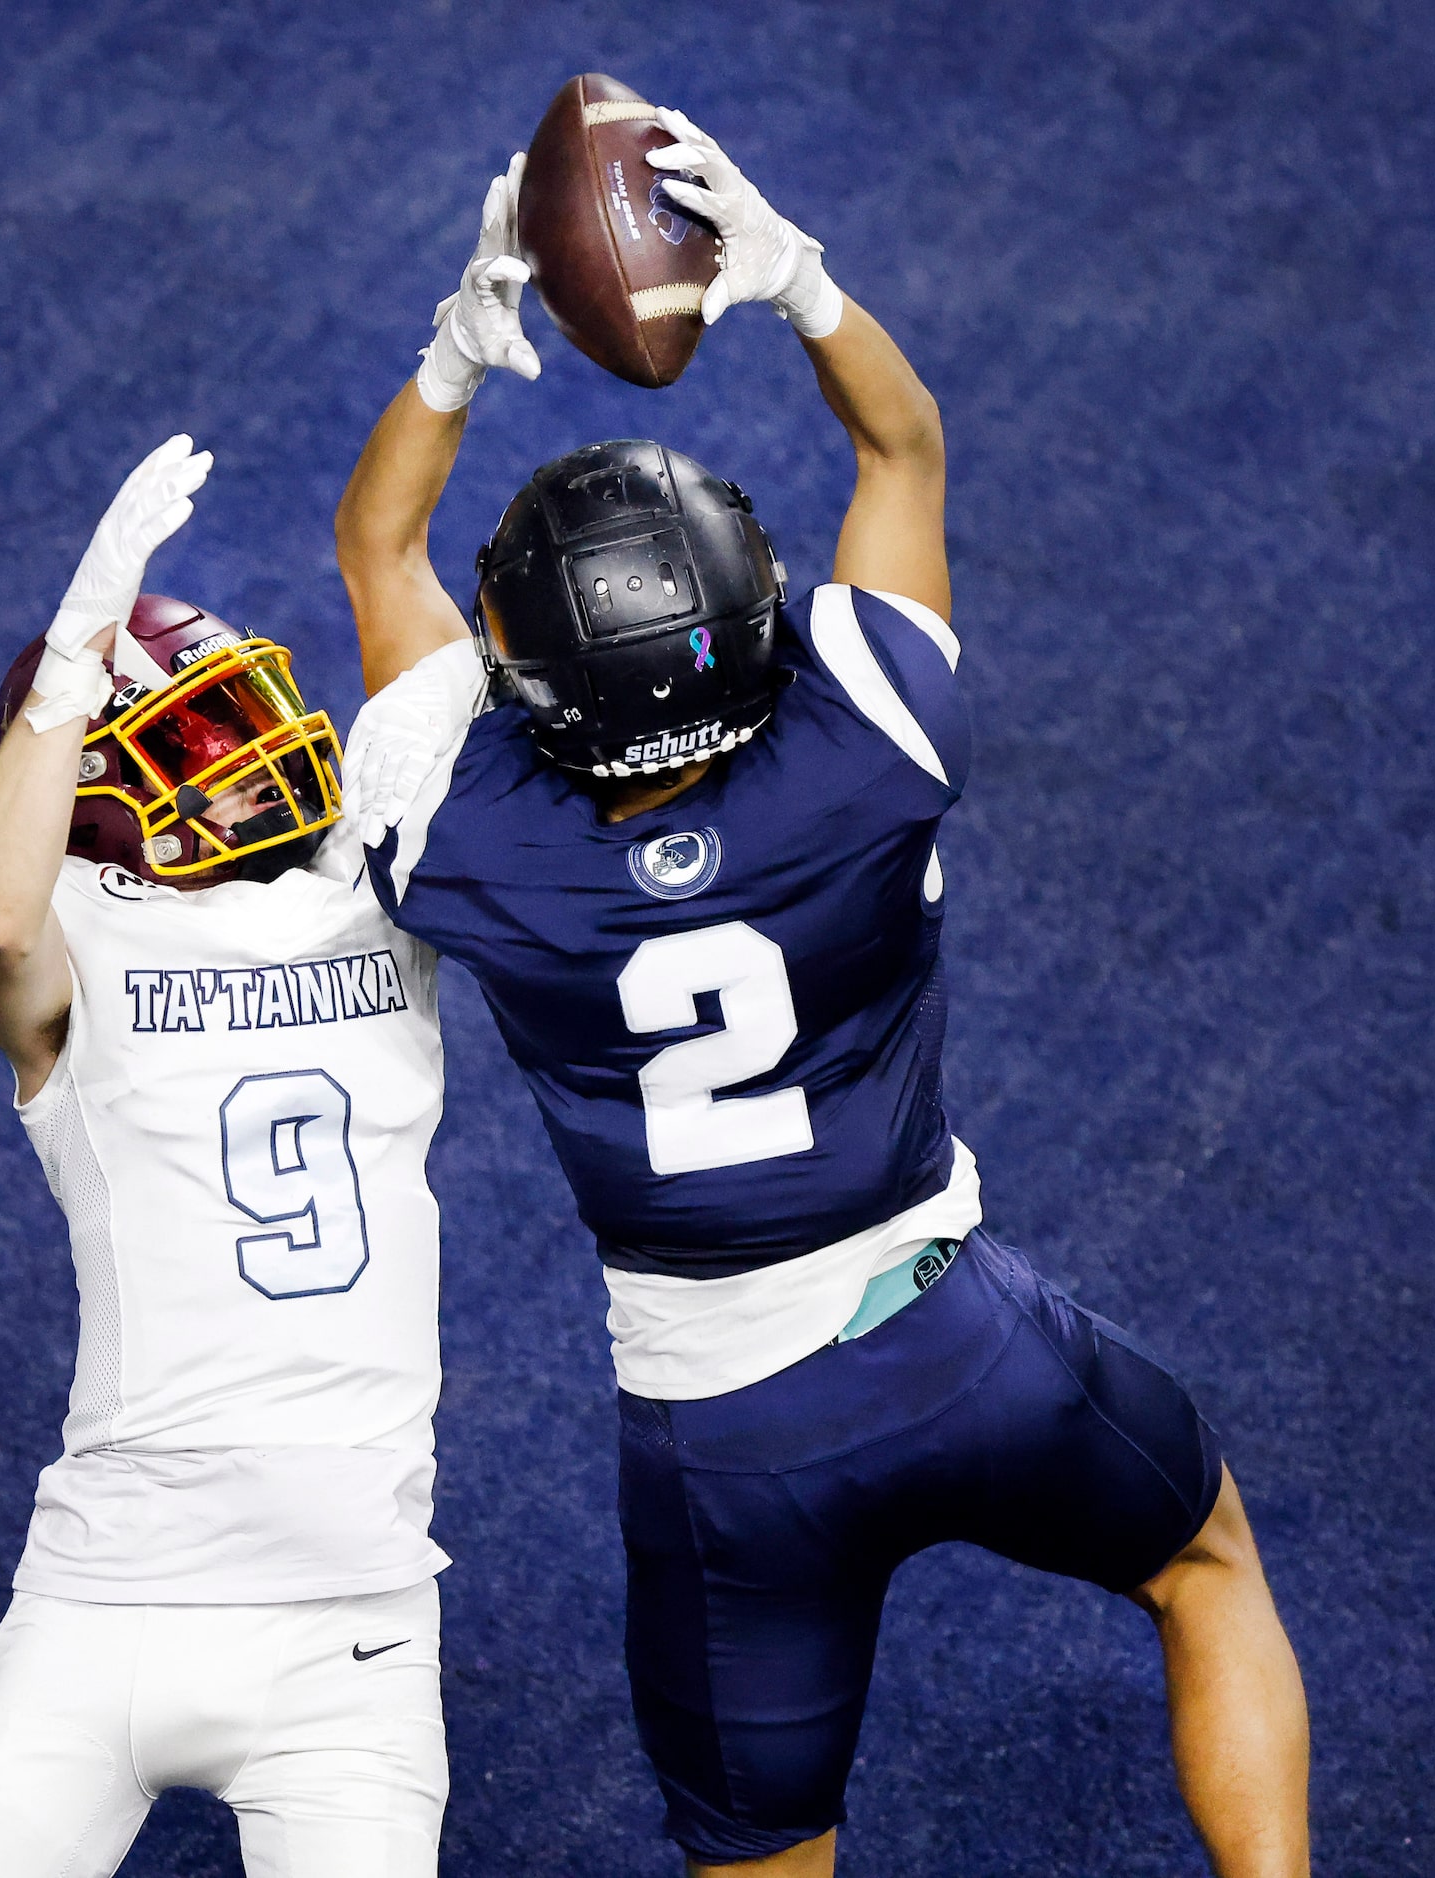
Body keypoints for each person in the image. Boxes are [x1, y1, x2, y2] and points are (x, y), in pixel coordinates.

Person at [331, 118, 1313, 1876]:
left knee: (763, 1852)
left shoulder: (463, 835)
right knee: (1207, 1561)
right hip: (963, 1337)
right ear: (756, 617)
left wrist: (453, 355)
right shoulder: (872, 734)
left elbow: (375, 556)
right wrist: (798, 281)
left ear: (526, 681)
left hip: (725, 1444)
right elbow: (903, 439)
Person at [0, 435, 454, 1878]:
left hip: (355, 1628)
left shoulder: (372, 886)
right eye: (187, 741)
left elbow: (426, 650)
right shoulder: (68, 948)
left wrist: (442, 387)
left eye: (232, 716)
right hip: (109, 1599)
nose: (248, 760)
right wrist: (74, 674)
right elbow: (1, 926)